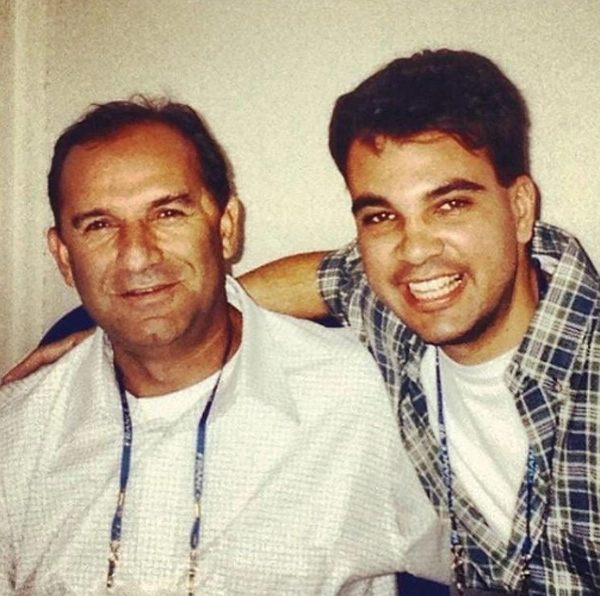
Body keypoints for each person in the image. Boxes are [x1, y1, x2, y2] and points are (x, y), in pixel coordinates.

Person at [0, 98, 448, 595]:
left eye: (168, 213)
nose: (137, 255)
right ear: (63, 256)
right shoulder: (16, 432)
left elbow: (512, 564)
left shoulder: (364, 399)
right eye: (100, 225)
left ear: (227, 227)